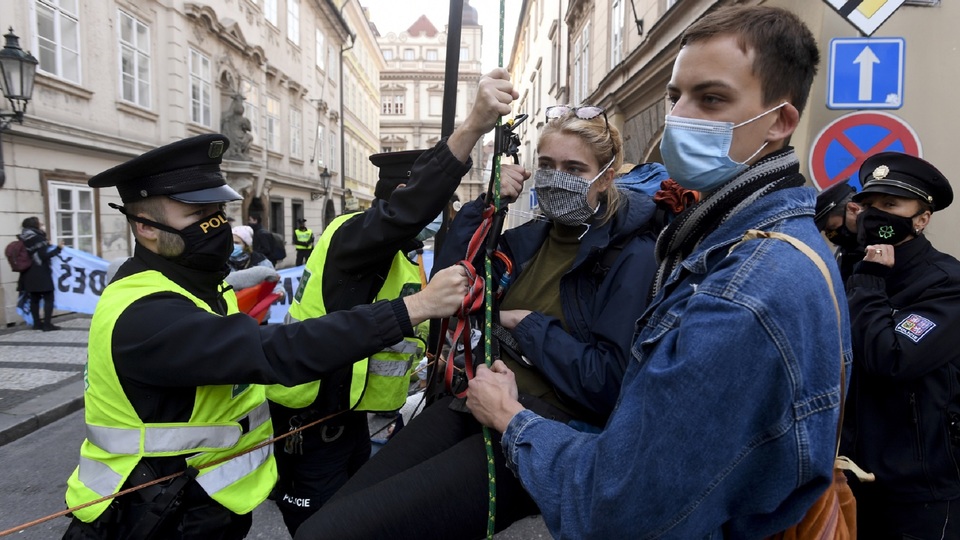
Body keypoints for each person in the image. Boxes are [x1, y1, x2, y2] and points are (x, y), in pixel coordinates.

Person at [465, 6, 851, 538]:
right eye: (675, 97)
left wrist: (512, 419)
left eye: (711, 99)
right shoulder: (737, 241)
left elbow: (619, 506)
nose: (679, 117)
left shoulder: (745, 291)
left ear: (781, 121)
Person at [60, 133, 469, 539]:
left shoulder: (195, 285)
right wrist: (416, 308)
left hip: (197, 503)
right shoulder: (143, 314)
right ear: (144, 227)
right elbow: (275, 352)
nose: (217, 223)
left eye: (219, 208)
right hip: (145, 516)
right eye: (197, 213)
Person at [294, 105, 664, 539]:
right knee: (323, 522)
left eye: (574, 167)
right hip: (473, 399)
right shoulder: (529, 238)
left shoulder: (632, 255)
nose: (556, 176)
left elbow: (607, 384)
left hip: (539, 424)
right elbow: (452, 277)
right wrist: (488, 204)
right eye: (546, 165)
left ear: (606, 175)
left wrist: (525, 324)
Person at [266, 68, 519, 536]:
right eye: (429, 207)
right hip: (310, 428)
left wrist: (487, 202)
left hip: (354, 425)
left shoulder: (404, 260)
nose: (433, 220)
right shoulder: (353, 238)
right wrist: (472, 127)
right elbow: (406, 214)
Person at [840, 152, 960, 539]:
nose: (877, 215)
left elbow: (892, 358)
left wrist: (870, 283)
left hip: (918, 494)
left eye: (891, 205)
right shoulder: (856, 273)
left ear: (922, 219)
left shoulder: (945, 283)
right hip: (851, 479)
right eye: (871, 204)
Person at [17, 216, 64, 331]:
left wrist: (46, 245)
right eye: (40, 223)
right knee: (49, 297)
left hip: (27, 273)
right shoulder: (38, 238)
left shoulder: (23, 237)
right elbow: (43, 256)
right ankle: (47, 324)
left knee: (34, 298)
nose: (42, 225)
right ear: (35, 225)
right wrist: (58, 248)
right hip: (40, 272)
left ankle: (36, 323)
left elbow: (33, 253)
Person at [815, 179, 862, 280]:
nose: (831, 235)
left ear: (853, 209)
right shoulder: (841, 254)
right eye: (826, 232)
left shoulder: (884, 247)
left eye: (832, 227)